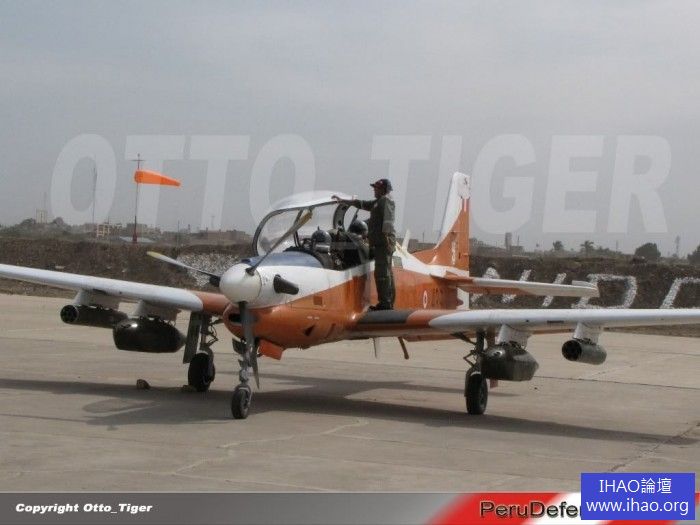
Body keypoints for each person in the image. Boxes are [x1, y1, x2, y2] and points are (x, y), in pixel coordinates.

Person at [333, 179, 396, 310]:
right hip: (380, 243)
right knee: (384, 273)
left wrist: (387, 241)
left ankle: (385, 304)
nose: (374, 190)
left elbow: (388, 223)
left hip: (384, 244)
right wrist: (344, 200)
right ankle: (386, 302)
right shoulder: (378, 202)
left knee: (382, 274)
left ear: (383, 189)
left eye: (376, 188)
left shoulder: (386, 201)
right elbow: (362, 204)